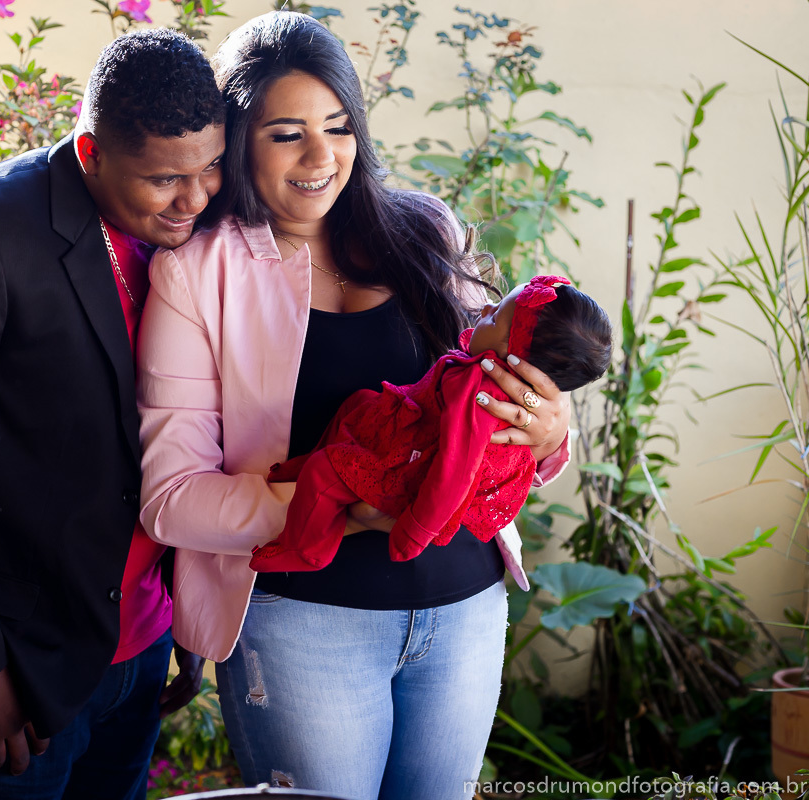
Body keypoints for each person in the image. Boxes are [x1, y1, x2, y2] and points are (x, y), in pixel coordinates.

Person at [136, 12, 572, 800]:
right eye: (286, 134)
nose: (320, 157)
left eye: (338, 127)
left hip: (463, 609)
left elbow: (486, 404)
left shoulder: (424, 233)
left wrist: (546, 432)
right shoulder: (198, 274)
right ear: (238, 140)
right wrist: (339, 506)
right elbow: (172, 498)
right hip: (303, 622)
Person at [0, 28, 226, 800]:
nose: (194, 199)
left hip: (142, 646)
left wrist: (188, 615)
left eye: (211, 168)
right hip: (14, 668)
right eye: (165, 179)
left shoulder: (192, 238)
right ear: (90, 153)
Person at [250, 275, 612, 572]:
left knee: (323, 473)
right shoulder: (487, 368)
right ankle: (310, 466)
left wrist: (417, 531)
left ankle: (307, 549)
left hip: (420, 467)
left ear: (513, 356)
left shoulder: (481, 394)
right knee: (359, 404)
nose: (484, 307)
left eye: (495, 316)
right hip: (415, 431)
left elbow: (457, 468)